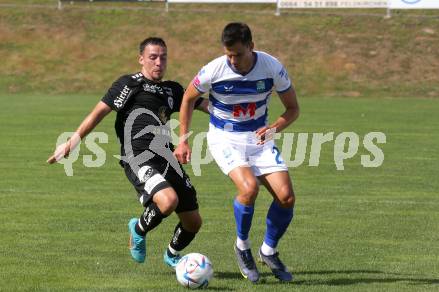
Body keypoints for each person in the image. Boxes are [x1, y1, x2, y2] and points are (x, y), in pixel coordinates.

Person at [47, 37, 209, 268]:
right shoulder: (129, 84)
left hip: (167, 157)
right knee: (168, 200)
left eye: (163, 57)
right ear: (141, 59)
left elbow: (202, 105)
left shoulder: (172, 89)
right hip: (138, 156)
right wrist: (72, 141)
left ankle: (172, 254)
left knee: (193, 222)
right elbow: (98, 113)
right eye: (152, 57)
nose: (158, 62)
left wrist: (238, 117)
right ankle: (138, 229)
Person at [175, 23, 299, 283]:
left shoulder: (271, 67)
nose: (233, 60)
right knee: (248, 189)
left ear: (251, 47)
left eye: (238, 54)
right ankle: (243, 247)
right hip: (225, 139)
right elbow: (187, 99)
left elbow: (292, 109)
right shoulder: (213, 70)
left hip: (258, 139)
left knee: (286, 197)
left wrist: (274, 127)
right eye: (229, 54)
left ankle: (268, 251)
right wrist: (183, 140)